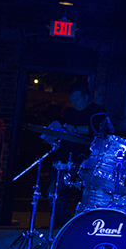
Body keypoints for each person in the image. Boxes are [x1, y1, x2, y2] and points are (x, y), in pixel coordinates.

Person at [46, 81, 106, 227]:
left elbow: (97, 132)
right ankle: (65, 227)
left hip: (84, 162)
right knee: (54, 195)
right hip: (63, 160)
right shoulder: (68, 112)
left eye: (77, 100)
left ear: (86, 97)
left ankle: (73, 228)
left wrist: (71, 129)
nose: (74, 103)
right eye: (72, 100)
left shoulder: (97, 112)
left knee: (82, 199)